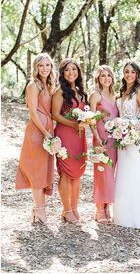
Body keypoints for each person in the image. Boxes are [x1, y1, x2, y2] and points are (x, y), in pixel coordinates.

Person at [16, 52, 56, 224]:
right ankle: (39, 210)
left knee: (45, 170)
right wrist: (46, 133)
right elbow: (33, 112)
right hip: (37, 133)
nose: (44, 68)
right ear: (36, 68)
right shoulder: (33, 85)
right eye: (41, 65)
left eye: (47, 65)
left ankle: (38, 209)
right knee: (37, 171)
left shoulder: (48, 85)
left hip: (47, 133)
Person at [113, 61, 140, 229]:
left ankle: (135, 216)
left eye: (132, 72)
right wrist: (121, 129)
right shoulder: (121, 92)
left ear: (137, 75)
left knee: (134, 174)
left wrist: (133, 131)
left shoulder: (139, 92)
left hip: (135, 139)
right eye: (126, 71)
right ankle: (122, 214)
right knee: (123, 174)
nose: (129, 74)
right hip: (121, 139)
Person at [52, 58, 88, 224]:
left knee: (77, 173)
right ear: (62, 73)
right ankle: (66, 210)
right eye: (67, 70)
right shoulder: (60, 91)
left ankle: (74, 208)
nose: (71, 72)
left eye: (74, 69)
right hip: (65, 135)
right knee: (66, 173)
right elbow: (55, 115)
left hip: (79, 137)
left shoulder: (81, 91)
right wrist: (74, 124)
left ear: (79, 72)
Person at [89, 65, 118, 224]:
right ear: (98, 79)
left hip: (115, 139)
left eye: (109, 75)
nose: (106, 78)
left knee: (110, 173)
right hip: (101, 138)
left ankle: (108, 207)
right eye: (103, 76)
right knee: (102, 172)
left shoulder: (115, 95)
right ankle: (100, 208)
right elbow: (91, 120)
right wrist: (96, 138)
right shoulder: (96, 95)